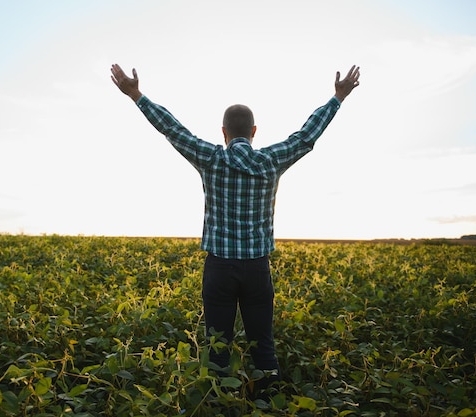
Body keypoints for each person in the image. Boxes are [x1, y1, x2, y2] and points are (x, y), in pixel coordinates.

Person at [110, 63, 360, 396]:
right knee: (263, 343)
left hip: (219, 269)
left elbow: (172, 128)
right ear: (254, 131)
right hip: (257, 267)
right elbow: (306, 136)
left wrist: (136, 94)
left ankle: (219, 401)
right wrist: (338, 97)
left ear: (224, 132)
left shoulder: (212, 158)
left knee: (217, 345)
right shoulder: (270, 161)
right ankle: (269, 398)